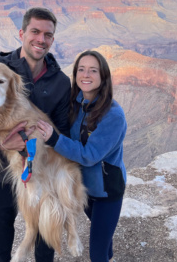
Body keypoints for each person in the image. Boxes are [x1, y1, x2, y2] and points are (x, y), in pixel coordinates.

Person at [0, 7, 71, 262]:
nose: (41, 39)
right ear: (22, 33)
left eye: (48, 34)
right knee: (0, 253)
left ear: (52, 39)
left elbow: (62, 134)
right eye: (35, 31)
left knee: (44, 251)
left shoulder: (60, 83)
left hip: (41, 177)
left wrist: (25, 140)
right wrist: (4, 143)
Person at [37, 50, 127, 262]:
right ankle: (108, 254)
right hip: (83, 188)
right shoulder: (76, 103)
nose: (86, 74)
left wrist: (53, 139)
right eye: (81, 69)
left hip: (106, 192)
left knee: (97, 253)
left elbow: (90, 155)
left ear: (103, 76)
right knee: (102, 237)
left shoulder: (113, 115)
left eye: (93, 70)